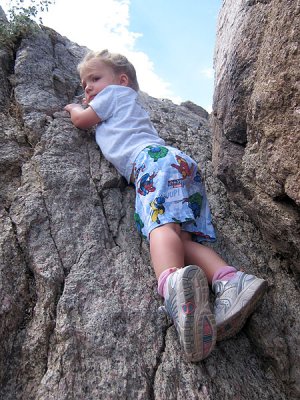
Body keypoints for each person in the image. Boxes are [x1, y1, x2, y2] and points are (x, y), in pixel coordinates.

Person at [64, 49, 267, 362]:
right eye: (83, 83)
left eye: (94, 78)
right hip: (179, 164)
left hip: (151, 164)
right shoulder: (126, 102)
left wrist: (73, 105)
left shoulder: (114, 95)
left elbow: (81, 121)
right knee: (183, 240)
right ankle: (230, 281)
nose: (87, 87)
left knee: (160, 224)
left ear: (121, 80)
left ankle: (173, 285)